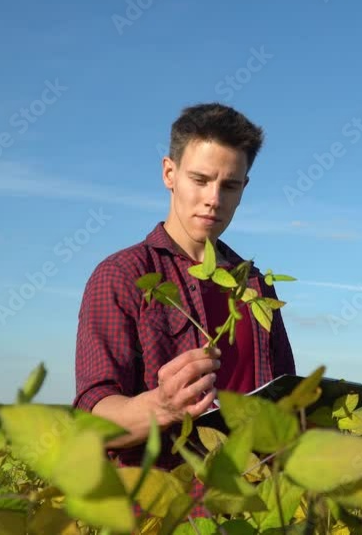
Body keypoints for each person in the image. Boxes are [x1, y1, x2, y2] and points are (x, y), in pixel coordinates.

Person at [73, 103, 297, 475]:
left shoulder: (255, 285)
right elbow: (92, 419)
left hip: (257, 497)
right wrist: (163, 407)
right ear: (169, 173)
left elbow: (285, 398)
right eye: (200, 179)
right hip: (167, 500)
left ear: (244, 188)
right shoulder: (122, 275)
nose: (214, 199)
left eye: (229, 185)